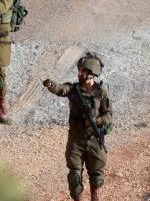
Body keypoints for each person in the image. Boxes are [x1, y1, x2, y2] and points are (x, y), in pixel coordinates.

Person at [43, 53, 113, 201]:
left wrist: (97, 121)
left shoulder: (101, 93)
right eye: (80, 70)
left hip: (94, 139)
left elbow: (109, 115)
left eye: (83, 71)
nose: (80, 73)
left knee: (97, 174)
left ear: (92, 74)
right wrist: (51, 85)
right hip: (76, 139)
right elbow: (61, 89)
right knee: (74, 174)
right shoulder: (73, 89)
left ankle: (95, 196)